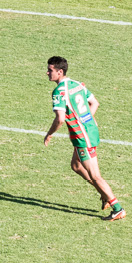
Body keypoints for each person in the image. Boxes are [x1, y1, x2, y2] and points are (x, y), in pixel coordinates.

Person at [43, 56, 123, 219]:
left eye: (50, 70)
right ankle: (105, 195)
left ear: (60, 72)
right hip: (89, 131)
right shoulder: (76, 84)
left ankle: (117, 208)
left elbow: (60, 119)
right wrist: (86, 120)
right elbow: (95, 103)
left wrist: (49, 134)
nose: (47, 73)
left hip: (82, 137)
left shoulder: (59, 92)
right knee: (76, 166)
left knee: (95, 175)